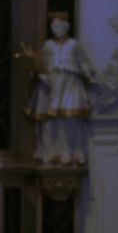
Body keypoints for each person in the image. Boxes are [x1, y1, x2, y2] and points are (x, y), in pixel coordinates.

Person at [25, 13, 95, 165]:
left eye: (58, 26)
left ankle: (71, 152)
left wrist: (89, 75)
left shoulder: (74, 44)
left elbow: (83, 62)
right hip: (52, 84)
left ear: (66, 26)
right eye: (53, 27)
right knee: (52, 120)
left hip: (71, 83)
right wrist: (36, 66)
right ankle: (53, 152)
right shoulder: (48, 45)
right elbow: (41, 64)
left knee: (70, 117)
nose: (55, 29)